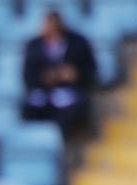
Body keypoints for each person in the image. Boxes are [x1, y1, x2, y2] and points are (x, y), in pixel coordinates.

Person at [22, 10, 97, 139]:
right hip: (42, 94)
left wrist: (75, 75)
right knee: (29, 109)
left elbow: (91, 71)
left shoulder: (78, 43)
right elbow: (27, 75)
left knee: (69, 113)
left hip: (70, 93)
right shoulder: (33, 46)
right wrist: (44, 78)